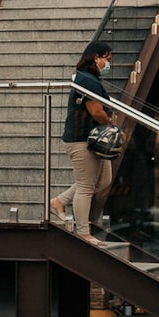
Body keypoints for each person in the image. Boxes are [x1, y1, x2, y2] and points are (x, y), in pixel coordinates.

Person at [50, 41, 115, 234]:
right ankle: (84, 233)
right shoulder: (87, 80)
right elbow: (96, 111)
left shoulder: (89, 79)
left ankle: (59, 201)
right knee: (86, 187)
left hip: (92, 139)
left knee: (103, 180)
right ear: (96, 57)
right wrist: (111, 123)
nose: (108, 64)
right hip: (82, 140)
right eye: (107, 59)